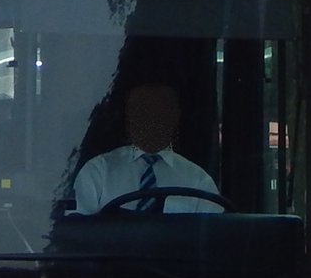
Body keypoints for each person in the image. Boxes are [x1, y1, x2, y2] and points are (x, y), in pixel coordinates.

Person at [73, 83, 221, 214]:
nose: (150, 119)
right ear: (129, 117)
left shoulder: (198, 181)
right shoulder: (98, 171)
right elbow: (77, 235)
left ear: (175, 117)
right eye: (140, 111)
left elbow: (212, 237)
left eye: (159, 111)